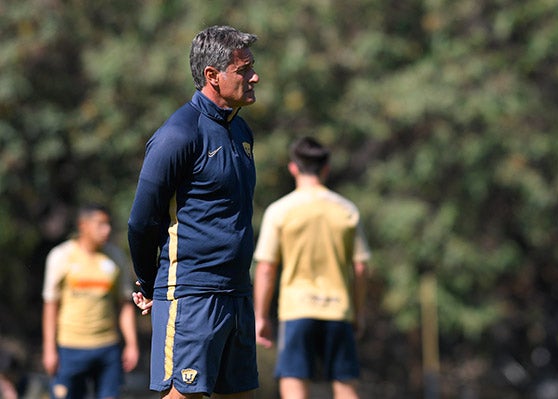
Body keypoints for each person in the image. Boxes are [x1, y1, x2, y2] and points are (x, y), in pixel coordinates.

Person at [127, 25, 260, 399]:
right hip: (192, 293)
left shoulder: (241, 131)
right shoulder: (179, 134)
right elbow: (142, 221)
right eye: (243, 69)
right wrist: (147, 279)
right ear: (213, 76)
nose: (254, 76)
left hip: (236, 291)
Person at [253, 137, 371, 399]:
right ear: (326, 168)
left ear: (293, 168)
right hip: (338, 309)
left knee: (294, 383)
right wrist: (359, 311)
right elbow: (361, 268)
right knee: (345, 384)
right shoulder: (347, 210)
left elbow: (265, 269)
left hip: (297, 310)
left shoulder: (280, 211)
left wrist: (260, 316)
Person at [42, 203, 139, 399]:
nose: (107, 230)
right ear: (83, 225)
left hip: (107, 348)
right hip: (70, 348)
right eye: (100, 224)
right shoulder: (61, 256)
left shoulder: (115, 257)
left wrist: (131, 344)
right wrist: (49, 349)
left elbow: (125, 305)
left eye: (108, 224)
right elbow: (51, 306)